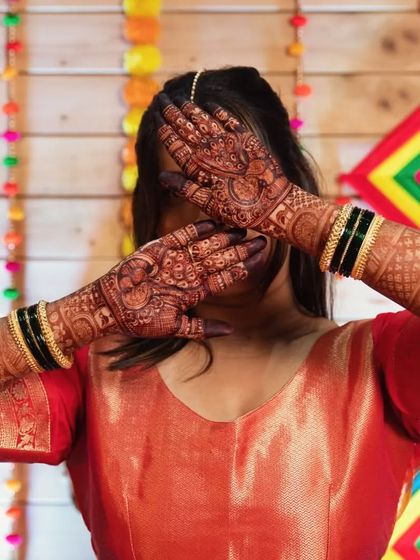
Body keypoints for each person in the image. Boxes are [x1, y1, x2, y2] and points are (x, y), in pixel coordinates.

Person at [0, 66, 418, 560]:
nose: (220, 209)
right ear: (152, 215)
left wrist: (296, 215)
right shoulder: (92, 372)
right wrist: (84, 314)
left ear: (296, 186)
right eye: (184, 190)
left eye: (243, 178)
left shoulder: (382, 362)